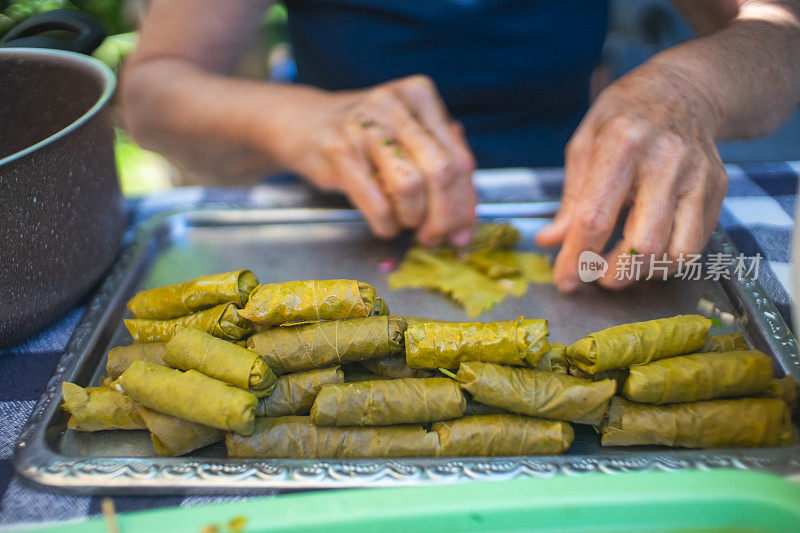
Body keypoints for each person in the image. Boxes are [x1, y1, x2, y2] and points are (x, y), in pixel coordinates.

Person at [121, 0, 800, 292]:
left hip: (585, 209)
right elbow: (152, 93)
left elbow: (779, 33)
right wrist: (299, 122)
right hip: (347, 205)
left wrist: (692, 88)